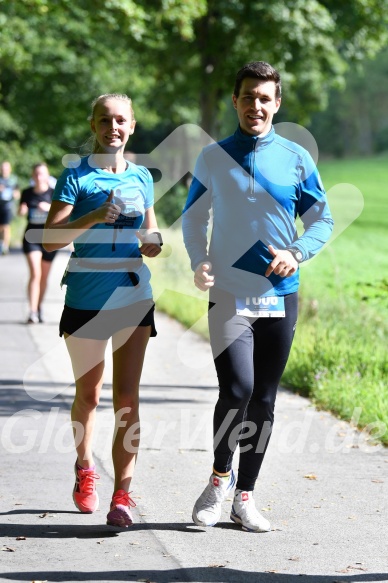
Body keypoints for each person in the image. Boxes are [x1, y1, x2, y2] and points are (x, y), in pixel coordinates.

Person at [182, 62, 333, 533]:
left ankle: (244, 498)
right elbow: (192, 218)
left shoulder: (295, 158)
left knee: (264, 400)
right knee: (237, 389)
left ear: (277, 103)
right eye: (248, 97)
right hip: (228, 292)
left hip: (280, 295)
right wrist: (198, 259)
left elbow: (322, 220)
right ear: (235, 101)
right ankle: (218, 479)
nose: (256, 106)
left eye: (265, 98)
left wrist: (297, 252)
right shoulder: (212, 157)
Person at [43, 93, 162, 528]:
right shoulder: (75, 174)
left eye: (121, 121)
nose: (113, 127)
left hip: (132, 295)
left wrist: (153, 241)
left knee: (127, 400)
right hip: (86, 298)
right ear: (93, 125)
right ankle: (84, 467)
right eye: (105, 120)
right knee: (89, 396)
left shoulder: (143, 177)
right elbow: (50, 240)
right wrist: (92, 215)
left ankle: (123, 494)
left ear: (132, 127)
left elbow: (151, 230)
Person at [19, 163, 57, 323]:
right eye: (36, 174)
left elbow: (63, 214)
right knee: (35, 273)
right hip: (31, 236)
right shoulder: (26, 192)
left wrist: (48, 208)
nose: (39, 177)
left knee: (44, 276)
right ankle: (32, 311)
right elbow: (20, 211)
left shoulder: (54, 193)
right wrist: (22, 210)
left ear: (47, 175)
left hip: (49, 238)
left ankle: (39, 307)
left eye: (42, 174)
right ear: (33, 176)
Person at [0, 161, 20, 255]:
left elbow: (17, 194)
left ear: (10, 170)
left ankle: (5, 247)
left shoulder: (13, 180)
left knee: (6, 227)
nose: (4, 171)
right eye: (2, 169)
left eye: (6, 169)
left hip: (8, 207)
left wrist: (13, 194)